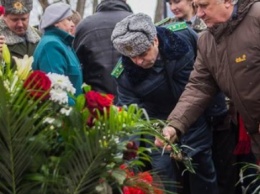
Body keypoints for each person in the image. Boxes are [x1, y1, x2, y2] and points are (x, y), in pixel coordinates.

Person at [111, 13, 218, 194]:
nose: (138, 61)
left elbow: (209, 70)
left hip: (194, 117)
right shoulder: (124, 75)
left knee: (202, 170)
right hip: (157, 127)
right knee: (163, 177)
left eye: (143, 54)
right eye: (132, 57)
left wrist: (217, 112)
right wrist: (129, 163)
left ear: (155, 41)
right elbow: (131, 119)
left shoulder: (183, 36)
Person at [155, 0, 260, 171]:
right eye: (196, 6)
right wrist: (175, 125)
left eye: (204, 6)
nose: (199, 14)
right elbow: (199, 86)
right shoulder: (206, 40)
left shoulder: (257, 17)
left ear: (227, 1)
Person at [73, 0, 132, 102]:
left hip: (96, 104)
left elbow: (75, 65)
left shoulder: (84, 26)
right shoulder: (138, 23)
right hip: (133, 105)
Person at [32, 2, 82, 97]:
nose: (72, 24)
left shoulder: (62, 43)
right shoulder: (51, 46)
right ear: (55, 22)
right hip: (65, 110)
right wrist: (74, 111)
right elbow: (57, 92)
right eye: (68, 19)